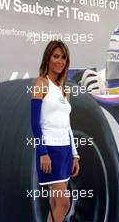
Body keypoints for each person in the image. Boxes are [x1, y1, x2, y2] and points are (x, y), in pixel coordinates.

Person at [30, 40, 80, 222]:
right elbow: (35, 123)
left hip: (65, 150)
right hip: (49, 150)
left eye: (63, 58)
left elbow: (67, 126)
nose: (60, 61)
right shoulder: (41, 83)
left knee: (55, 204)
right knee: (64, 204)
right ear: (48, 59)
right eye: (56, 56)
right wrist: (43, 152)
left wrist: (75, 155)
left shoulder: (64, 90)